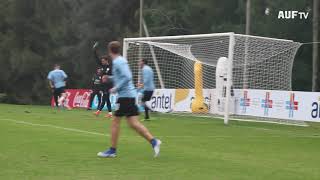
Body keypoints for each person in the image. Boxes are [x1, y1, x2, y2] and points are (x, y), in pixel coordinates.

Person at [97, 41, 161, 158]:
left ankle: (112, 150)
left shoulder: (117, 62)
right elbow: (121, 77)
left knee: (115, 122)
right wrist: (109, 78)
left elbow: (127, 77)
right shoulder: (121, 60)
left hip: (125, 97)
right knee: (133, 123)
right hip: (129, 96)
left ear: (110, 50)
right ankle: (154, 141)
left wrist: (116, 87)